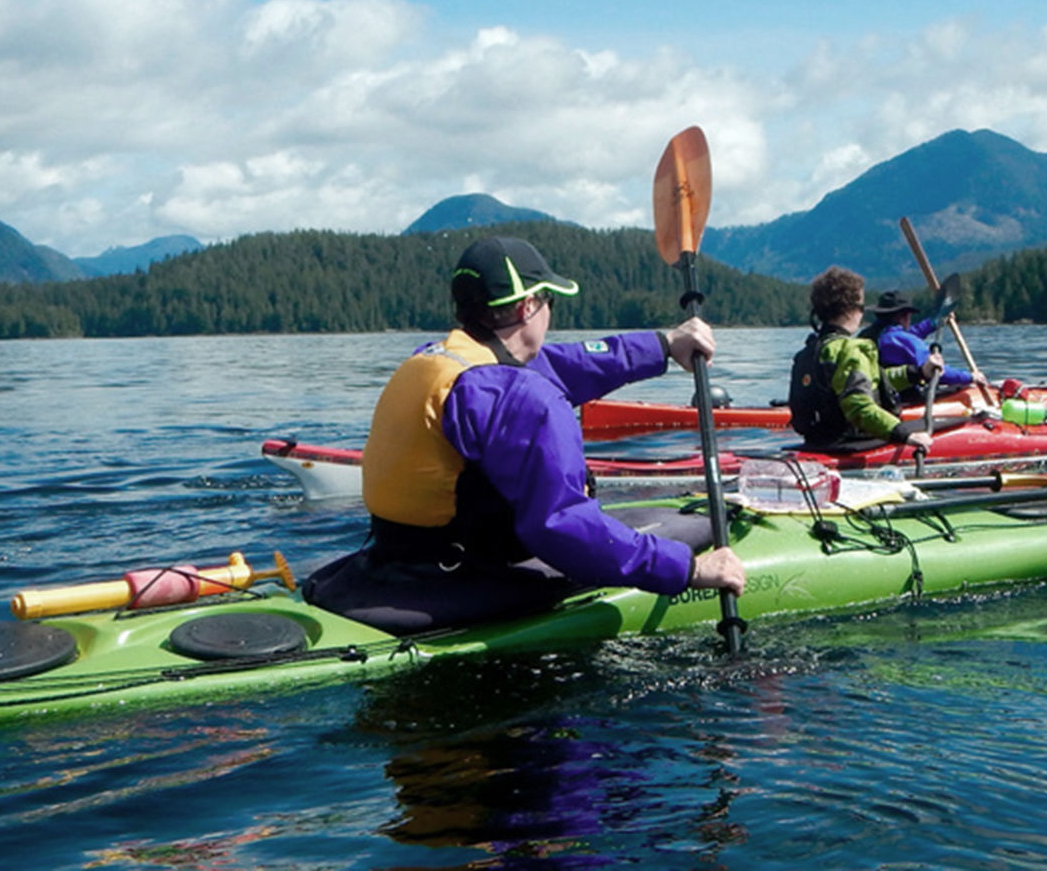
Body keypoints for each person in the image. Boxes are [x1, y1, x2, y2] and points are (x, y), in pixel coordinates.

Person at [302, 235, 746, 634]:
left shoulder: (438, 360)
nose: (550, 311)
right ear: (527, 307)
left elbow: (568, 364)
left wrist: (664, 345)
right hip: (460, 578)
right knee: (687, 531)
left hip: (389, 564)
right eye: (548, 299)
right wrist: (689, 570)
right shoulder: (519, 397)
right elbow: (561, 528)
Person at [787, 266, 943, 451]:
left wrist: (918, 372)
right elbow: (858, 407)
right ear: (850, 310)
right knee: (952, 423)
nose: (862, 312)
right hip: (850, 442)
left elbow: (873, 381)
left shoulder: (809, 352)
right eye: (861, 306)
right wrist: (903, 433)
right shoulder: (851, 350)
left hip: (817, 441)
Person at [859, 289, 987, 405]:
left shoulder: (868, 335)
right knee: (966, 389)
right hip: (903, 400)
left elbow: (910, 334)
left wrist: (935, 321)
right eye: (909, 315)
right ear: (902, 316)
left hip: (877, 396)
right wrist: (971, 377)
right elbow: (936, 371)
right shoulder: (902, 339)